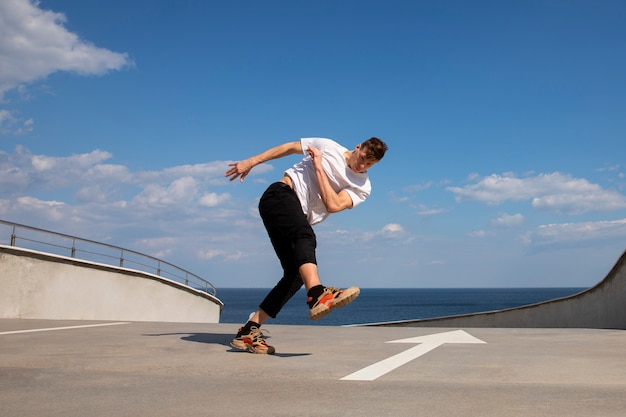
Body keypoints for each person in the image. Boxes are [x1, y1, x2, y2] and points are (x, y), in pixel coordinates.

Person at [224, 137, 388, 354]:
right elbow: (290, 147)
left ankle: (249, 329)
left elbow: (333, 204)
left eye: (369, 164)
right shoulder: (328, 146)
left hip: (294, 215)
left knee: (295, 275)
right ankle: (318, 293)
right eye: (363, 158)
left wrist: (319, 168)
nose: (362, 165)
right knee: (305, 236)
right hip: (280, 195)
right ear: (358, 147)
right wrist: (251, 162)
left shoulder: (363, 186)